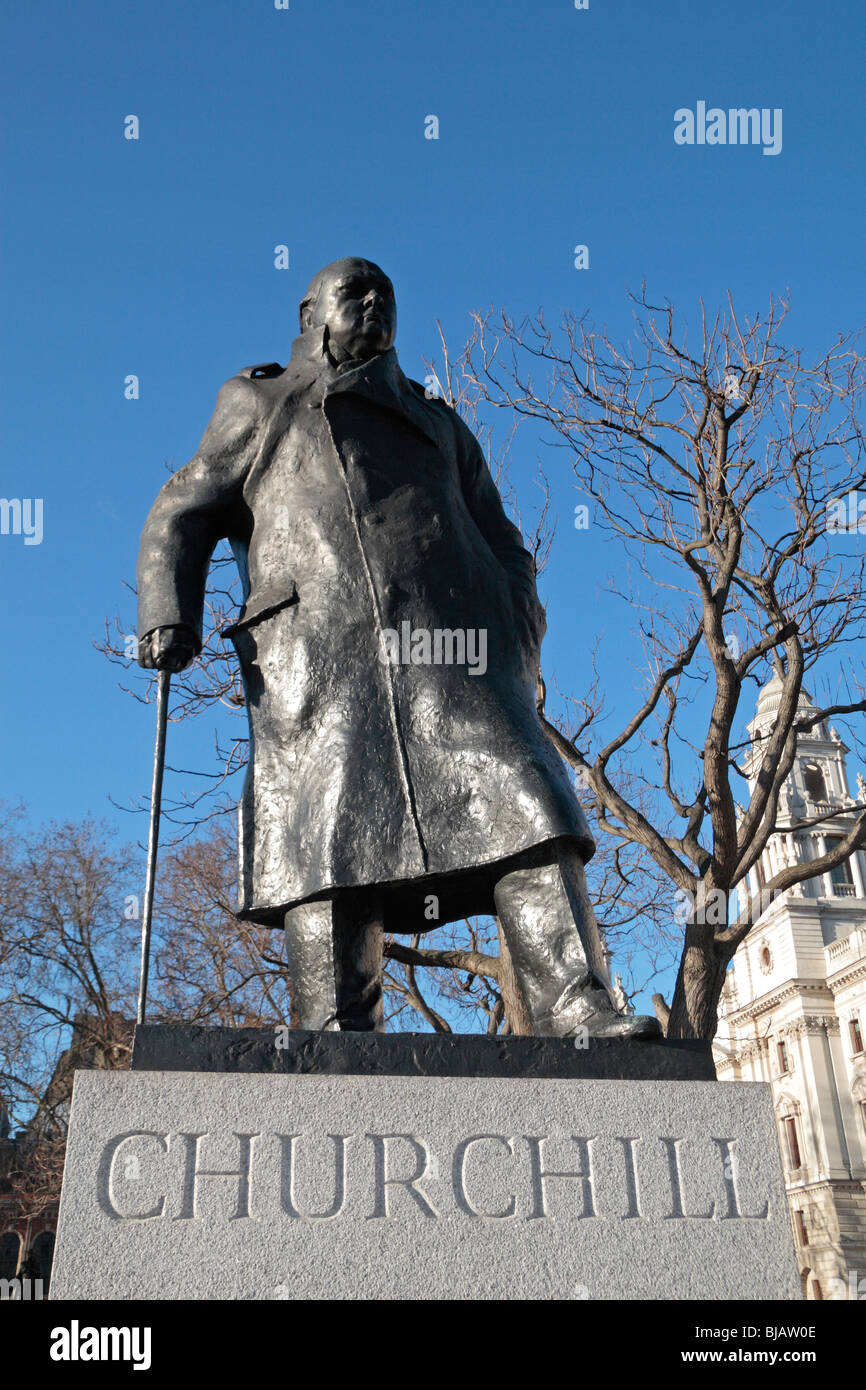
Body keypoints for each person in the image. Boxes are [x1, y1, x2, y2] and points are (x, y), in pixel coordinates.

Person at [137, 257, 660, 1040]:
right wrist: (167, 612)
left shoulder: (439, 421)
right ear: (312, 310)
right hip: (321, 654)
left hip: (457, 655)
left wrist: (517, 619)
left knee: (527, 801)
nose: (375, 304)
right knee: (327, 832)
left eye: (386, 295)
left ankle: (575, 1007)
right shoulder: (260, 400)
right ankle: (335, 1027)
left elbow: (502, 535)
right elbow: (183, 506)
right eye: (356, 293)